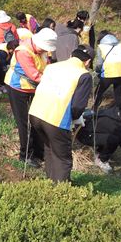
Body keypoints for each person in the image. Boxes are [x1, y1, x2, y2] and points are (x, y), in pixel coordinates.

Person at [29, 45, 94, 182]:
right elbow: (77, 106)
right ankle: (61, 191)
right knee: (63, 157)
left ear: (71, 55)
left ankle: (50, 182)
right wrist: (76, 118)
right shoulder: (84, 75)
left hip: (36, 113)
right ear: (87, 62)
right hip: (56, 118)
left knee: (50, 148)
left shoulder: (52, 66)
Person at [5, 28, 57, 167]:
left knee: (36, 119)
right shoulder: (23, 51)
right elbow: (34, 75)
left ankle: (38, 152)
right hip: (18, 88)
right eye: (43, 48)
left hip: (34, 88)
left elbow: (47, 66)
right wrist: (55, 81)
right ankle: (25, 155)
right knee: (24, 123)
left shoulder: (41, 50)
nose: (44, 51)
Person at [93, 30, 121, 110]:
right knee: (118, 95)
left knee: (98, 92)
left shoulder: (101, 47)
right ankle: (118, 113)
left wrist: (97, 71)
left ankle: (94, 110)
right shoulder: (120, 46)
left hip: (109, 73)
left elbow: (99, 63)